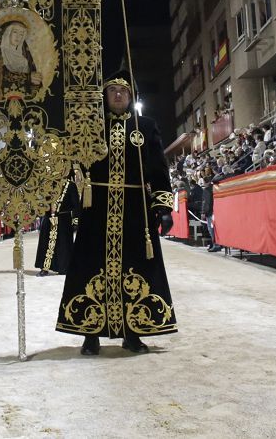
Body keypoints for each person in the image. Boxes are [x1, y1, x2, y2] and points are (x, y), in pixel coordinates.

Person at [56, 70, 177, 355]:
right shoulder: (92, 128)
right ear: (104, 96)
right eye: (112, 91)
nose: (119, 95)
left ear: (131, 96)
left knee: (137, 267)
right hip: (96, 210)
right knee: (89, 267)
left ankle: (133, 333)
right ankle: (90, 334)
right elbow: (75, 162)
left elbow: (159, 168)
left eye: (123, 91)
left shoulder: (145, 127)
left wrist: (162, 206)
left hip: (136, 211)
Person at [0, 21, 42, 97]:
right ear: (8, 33)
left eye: (21, 34)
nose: (18, 36)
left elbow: (33, 81)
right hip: (2, 97)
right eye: (15, 32)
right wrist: (27, 77)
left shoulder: (24, 58)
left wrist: (36, 81)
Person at [34, 170, 80, 276]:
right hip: (49, 217)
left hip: (64, 219)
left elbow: (76, 204)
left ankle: (63, 267)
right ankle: (44, 268)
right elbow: (43, 200)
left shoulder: (71, 185)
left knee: (63, 245)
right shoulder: (49, 184)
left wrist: (75, 220)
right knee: (46, 243)